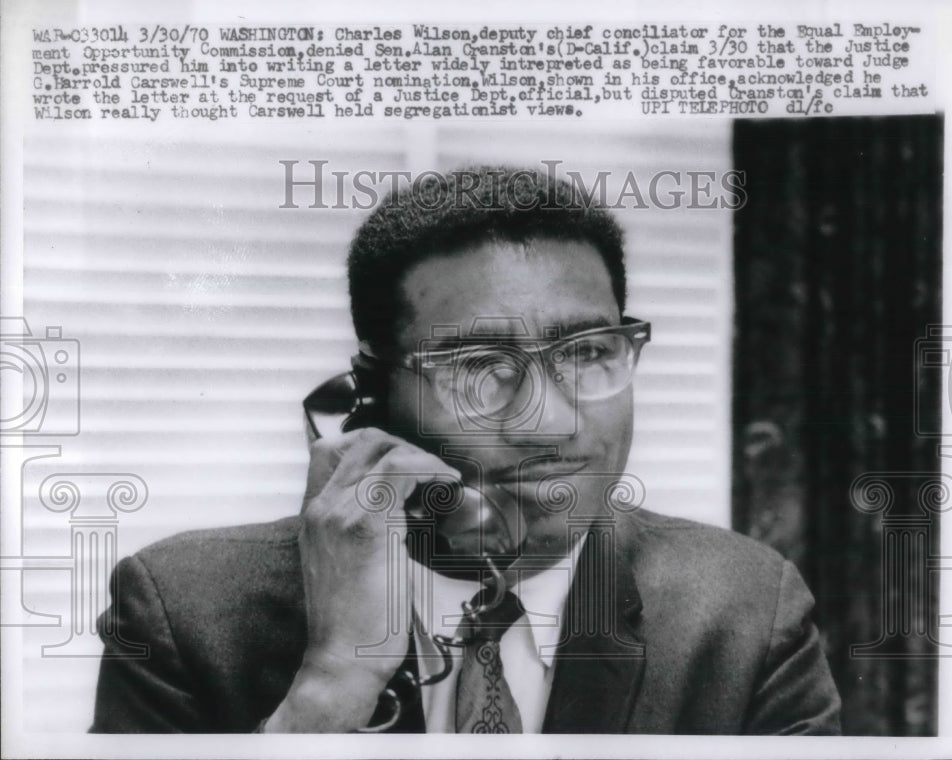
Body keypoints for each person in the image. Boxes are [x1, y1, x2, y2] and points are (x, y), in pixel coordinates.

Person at [91, 166, 841, 734]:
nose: (548, 423)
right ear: (372, 397)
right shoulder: (181, 613)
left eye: (587, 353)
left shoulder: (746, 615)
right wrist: (329, 687)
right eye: (479, 366)